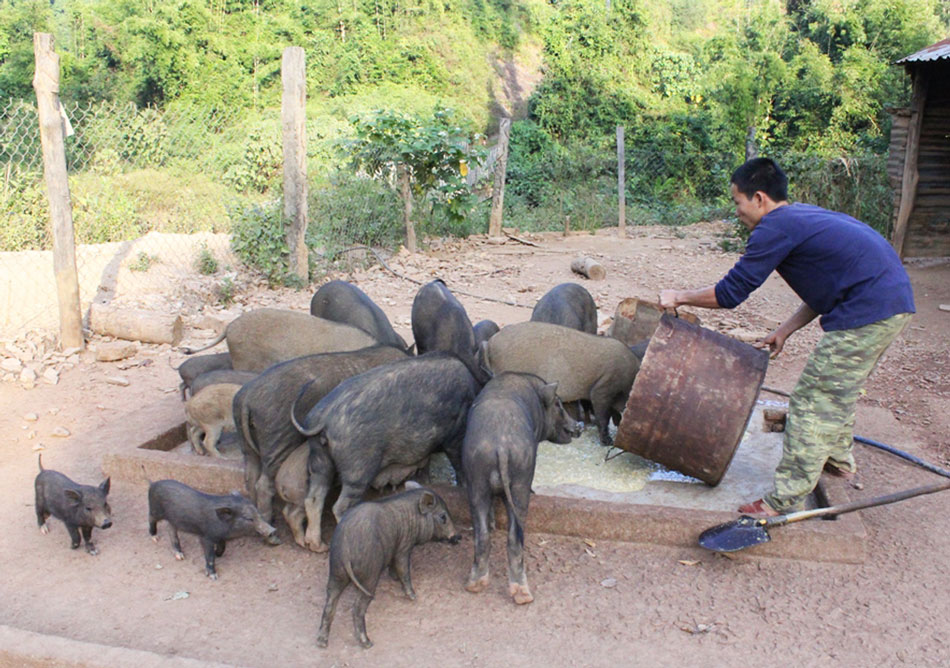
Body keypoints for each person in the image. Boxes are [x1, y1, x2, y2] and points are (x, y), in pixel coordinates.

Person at [658, 158, 915, 517]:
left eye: (737, 202)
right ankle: (838, 459)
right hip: (889, 303)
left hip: (870, 310)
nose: (737, 212)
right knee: (837, 387)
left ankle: (784, 502)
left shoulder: (774, 228)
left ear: (759, 198)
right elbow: (827, 286)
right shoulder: (800, 217)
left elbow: (730, 294)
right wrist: (786, 329)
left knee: (812, 400)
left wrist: (679, 296)